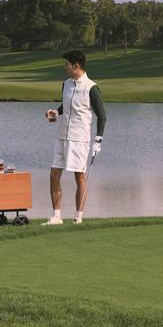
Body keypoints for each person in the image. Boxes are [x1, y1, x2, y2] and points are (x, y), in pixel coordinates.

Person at [43, 50, 106, 225]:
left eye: (67, 65)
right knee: (54, 173)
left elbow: (102, 116)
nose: (65, 67)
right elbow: (65, 105)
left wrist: (98, 139)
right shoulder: (66, 84)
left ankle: (78, 216)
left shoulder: (91, 88)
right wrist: (55, 112)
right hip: (62, 135)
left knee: (79, 177)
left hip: (79, 138)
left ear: (76, 66)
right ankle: (57, 217)